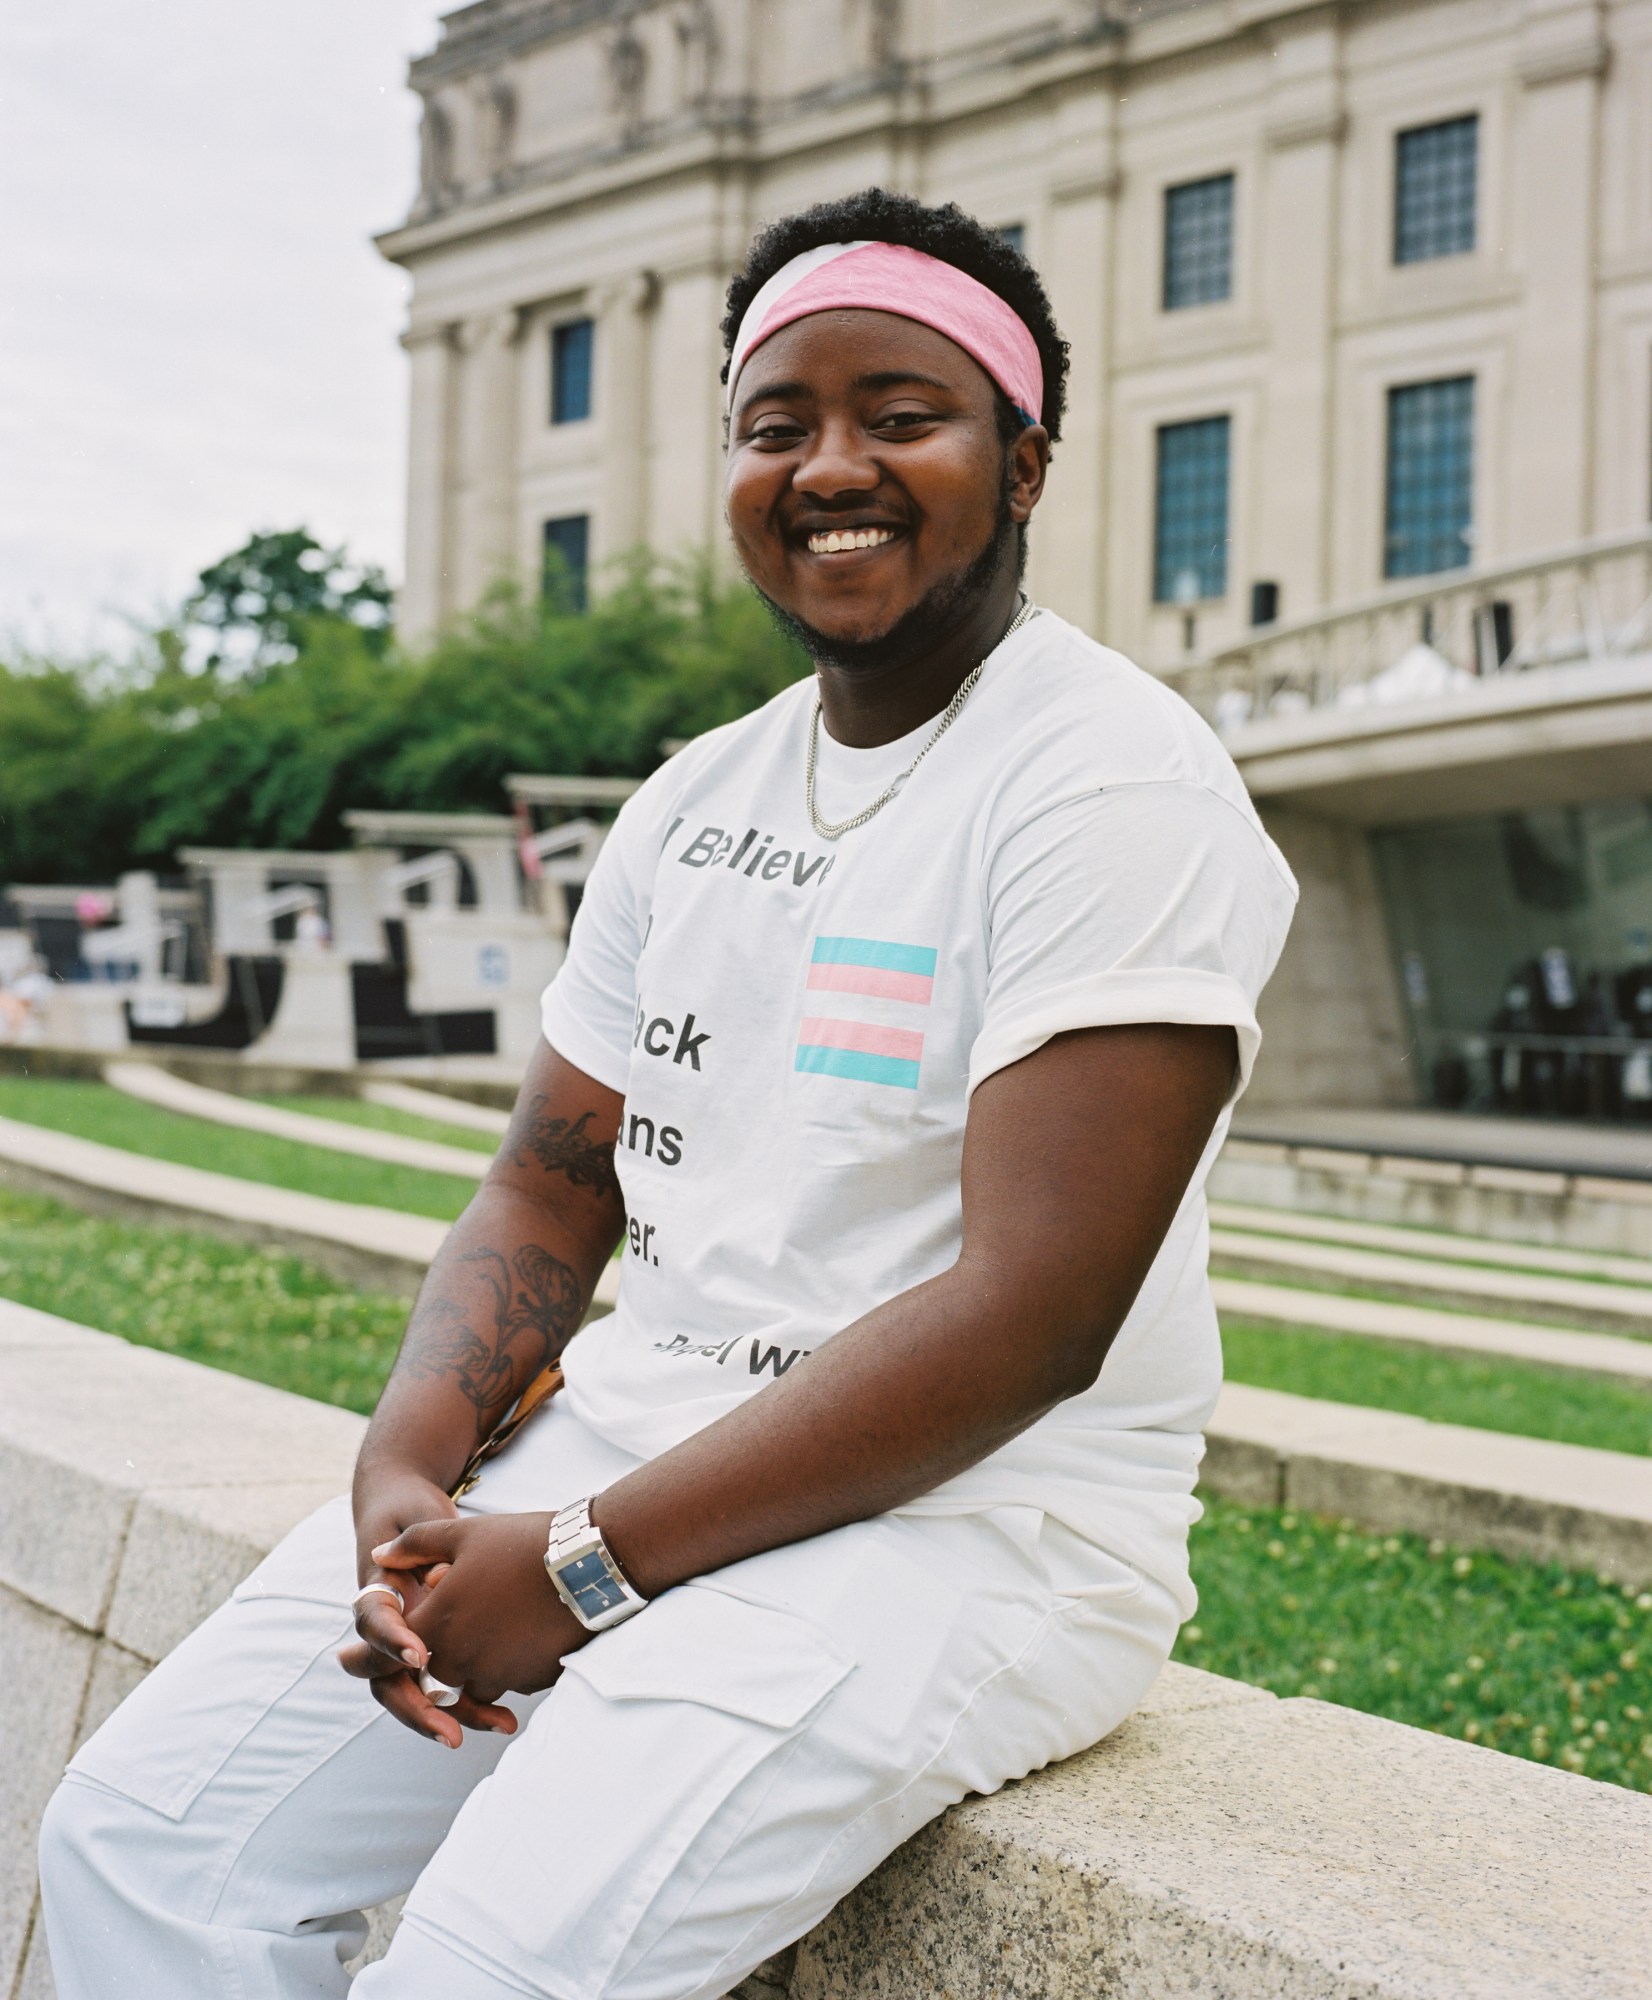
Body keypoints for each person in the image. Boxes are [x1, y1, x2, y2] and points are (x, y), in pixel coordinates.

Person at [39, 188, 1296, 2000]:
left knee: (481, 1975)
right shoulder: (696, 795)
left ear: (1024, 466)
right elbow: (554, 1187)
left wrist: (578, 1571)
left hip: (973, 1532)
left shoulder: (1115, 789)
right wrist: (405, 1469)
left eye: (902, 415)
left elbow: (1035, 1316)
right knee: (146, 1853)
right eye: (775, 425)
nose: (829, 464)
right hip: (619, 1456)